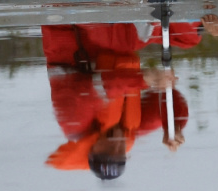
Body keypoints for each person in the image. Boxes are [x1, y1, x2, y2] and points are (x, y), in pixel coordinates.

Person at [42, 22, 203, 178]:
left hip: (70, 23)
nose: (117, 146)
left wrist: (142, 79)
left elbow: (95, 88)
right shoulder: (129, 131)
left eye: (108, 151)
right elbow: (169, 97)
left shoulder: (73, 124)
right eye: (120, 153)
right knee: (188, 37)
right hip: (107, 37)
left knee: (129, 38)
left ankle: (144, 12)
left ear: (92, 150)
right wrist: (173, 126)